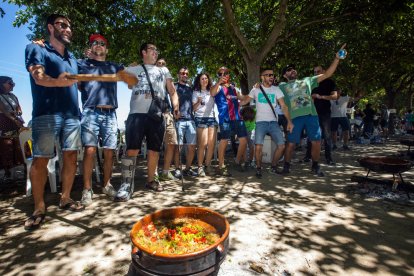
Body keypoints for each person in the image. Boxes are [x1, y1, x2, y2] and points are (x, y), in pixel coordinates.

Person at [24, 14, 83, 230]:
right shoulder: (36, 49)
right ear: (51, 27)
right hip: (46, 113)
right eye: (62, 25)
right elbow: (38, 77)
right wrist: (58, 82)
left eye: (70, 26)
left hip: (72, 115)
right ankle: (39, 207)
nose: (67, 29)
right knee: (41, 160)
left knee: (71, 156)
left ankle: (65, 198)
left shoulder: (73, 59)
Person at [78, 34, 137, 206]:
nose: (99, 45)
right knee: (89, 151)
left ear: (106, 49)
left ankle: (106, 185)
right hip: (91, 112)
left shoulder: (114, 66)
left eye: (102, 43)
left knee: (110, 151)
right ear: (91, 47)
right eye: (95, 43)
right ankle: (87, 189)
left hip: (111, 114)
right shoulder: (82, 64)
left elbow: (130, 75)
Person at [116, 43, 179, 200]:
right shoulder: (134, 69)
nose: (156, 53)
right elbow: (125, 81)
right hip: (136, 114)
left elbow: (172, 90)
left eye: (157, 50)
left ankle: (151, 180)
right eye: (152, 50)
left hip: (157, 114)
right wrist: (128, 69)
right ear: (143, 52)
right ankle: (126, 184)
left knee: (154, 150)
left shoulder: (163, 70)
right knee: (132, 149)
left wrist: (175, 107)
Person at [279, 44, 347, 177]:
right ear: (284, 75)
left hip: (311, 115)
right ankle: (286, 166)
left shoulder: (307, 81)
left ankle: (315, 166)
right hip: (295, 118)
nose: (292, 70)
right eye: (289, 70)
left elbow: (327, 74)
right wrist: (288, 121)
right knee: (291, 143)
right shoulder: (282, 87)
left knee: (316, 141)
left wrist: (337, 59)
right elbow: (282, 105)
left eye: (293, 69)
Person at [240, 68, 293, 178]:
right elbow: (245, 101)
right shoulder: (255, 90)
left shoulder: (276, 89)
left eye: (272, 75)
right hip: (260, 123)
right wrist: (235, 96)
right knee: (258, 147)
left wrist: (289, 121)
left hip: (273, 122)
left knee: (282, 145)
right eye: (268, 75)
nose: (271, 77)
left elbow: (283, 106)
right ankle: (258, 168)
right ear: (262, 77)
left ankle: (273, 166)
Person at [210, 66, 247, 176]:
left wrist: (254, 91)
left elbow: (242, 98)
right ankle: (221, 166)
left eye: (225, 73)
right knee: (224, 141)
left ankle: (236, 161)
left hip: (237, 117)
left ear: (228, 75)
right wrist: (218, 82)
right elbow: (212, 93)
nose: (223, 75)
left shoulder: (234, 87)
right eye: (220, 74)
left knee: (244, 141)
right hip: (225, 118)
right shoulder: (217, 87)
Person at [304, 65, 338, 165]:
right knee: (311, 135)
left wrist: (321, 96)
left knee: (327, 135)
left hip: (325, 112)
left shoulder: (330, 82)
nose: (316, 73)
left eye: (318, 71)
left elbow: (335, 96)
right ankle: (308, 156)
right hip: (311, 112)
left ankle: (329, 158)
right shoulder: (311, 83)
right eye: (314, 72)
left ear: (324, 71)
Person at [192, 72, 217, 176]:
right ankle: (200, 167)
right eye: (202, 79)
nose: (204, 80)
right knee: (203, 144)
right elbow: (193, 108)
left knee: (211, 144)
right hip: (200, 118)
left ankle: (208, 165)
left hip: (211, 118)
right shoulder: (195, 92)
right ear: (199, 80)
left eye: (206, 78)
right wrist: (198, 101)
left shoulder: (211, 90)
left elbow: (216, 92)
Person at [0, 76, 25, 178]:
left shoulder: (13, 96)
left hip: (16, 122)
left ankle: (21, 170)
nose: (13, 84)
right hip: (4, 122)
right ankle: (7, 173)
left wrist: (18, 113)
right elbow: (4, 110)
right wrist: (13, 119)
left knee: (19, 144)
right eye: (10, 82)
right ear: (2, 84)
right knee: (7, 145)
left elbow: (19, 109)